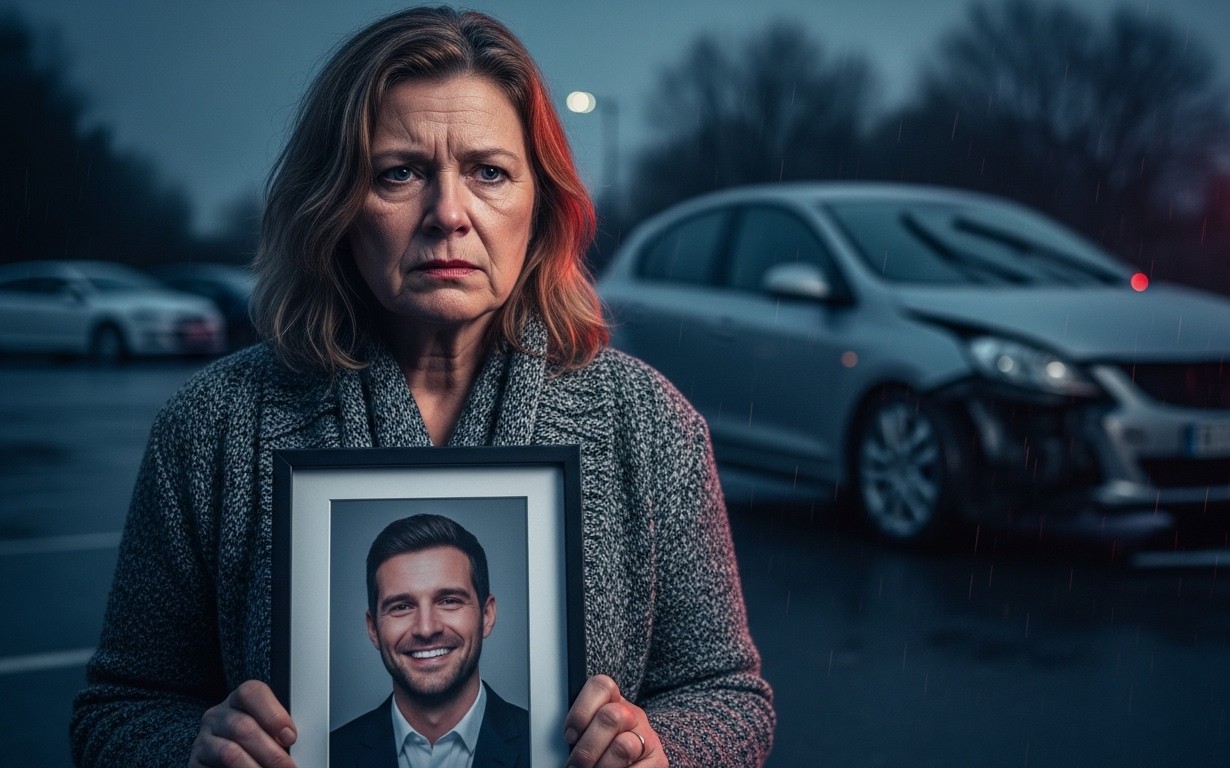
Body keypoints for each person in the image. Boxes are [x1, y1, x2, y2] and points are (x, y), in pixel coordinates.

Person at [70, 7, 773, 768]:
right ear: (333, 205)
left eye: (488, 172)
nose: (448, 215)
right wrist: (187, 752)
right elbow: (120, 706)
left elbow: (729, 694)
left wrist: (664, 750)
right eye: (398, 173)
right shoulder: (212, 427)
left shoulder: (647, 423)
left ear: (540, 207)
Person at [332, 514, 528, 767]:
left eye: (449, 601)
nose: (426, 628)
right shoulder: (323, 756)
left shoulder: (560, 750)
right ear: (373, 629)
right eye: (402, 606)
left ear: (487, 616)